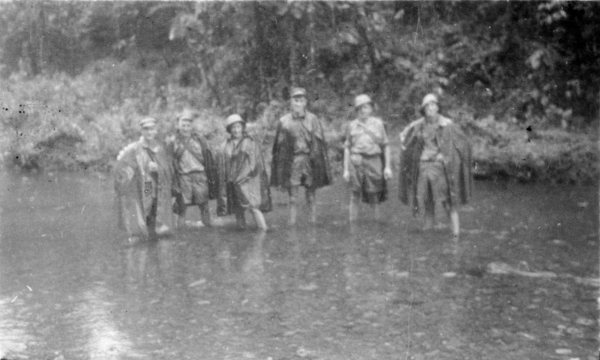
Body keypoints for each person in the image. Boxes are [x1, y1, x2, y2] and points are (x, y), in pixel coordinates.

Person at [398, 93, 472, 237]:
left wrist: (445, 156)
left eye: (433, 105)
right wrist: (404, 137)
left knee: (448, 200)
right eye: (427, 106)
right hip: (424, 166)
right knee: (427, 201)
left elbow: (463, 144)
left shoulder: (448, 125)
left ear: (438, 107)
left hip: (440, 168)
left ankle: (456, 235)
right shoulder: (418, 125)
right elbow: (405, 138)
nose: (430, 108)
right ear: (423, 109)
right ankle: (428, 234)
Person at [271, 87, 331, 225]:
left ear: (305, 102)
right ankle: (291, 223)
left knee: (311, 194)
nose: (298, 103)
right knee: (293, 196)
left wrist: (315, 160)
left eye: (301, 100)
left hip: (309, 160)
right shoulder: (284, 121)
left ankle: (312, 222)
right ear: (290, 102)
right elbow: (278, 147)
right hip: (292, 161)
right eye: (295, 100)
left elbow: (319, 141)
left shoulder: (313, 119)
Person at [114, 116, 174, 242]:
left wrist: (158, 169)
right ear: (141, 131)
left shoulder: (160, 148)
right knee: (146, 206)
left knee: (154, 209)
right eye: (146, 129)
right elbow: (123, 169)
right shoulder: (134, 149)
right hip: (146, 184)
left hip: (158, 185)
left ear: (156, 131)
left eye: (152, 129)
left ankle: (154, 235)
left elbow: (168, 169)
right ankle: (141, 234)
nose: (149, 132)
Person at [217, 114, 271, 231]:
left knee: (253, 207)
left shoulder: (250, 142)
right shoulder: (225, 145)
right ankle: (242, 231)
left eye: (238, 127)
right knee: (238, 208)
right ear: (229, 130)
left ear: (242, 127)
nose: (236, 130)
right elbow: (223, 166)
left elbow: (254, 164)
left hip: (248, 181)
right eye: (233, 127)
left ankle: (263, 230)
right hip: (232, 181)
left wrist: (242, 177)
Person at [343, 94, 392, 221]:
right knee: (354, 194)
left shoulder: (378, 124)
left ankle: (376, 226)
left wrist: (387, 167)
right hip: (356, 161)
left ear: (371, 109)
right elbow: (347, 148)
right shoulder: (351, 125)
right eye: (359, 108)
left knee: (374, 194)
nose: (362, 110)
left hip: (374, 161)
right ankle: (352, 227)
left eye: (365, 107)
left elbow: (386, 145)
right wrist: (346, 170)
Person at [167, 110, 218, 228]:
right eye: (183, 125)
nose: (185, 128)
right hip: (183, 177)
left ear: (192, 126)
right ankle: (180, 234)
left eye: (188, 125)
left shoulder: (200, 140)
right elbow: (169, 163)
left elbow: (209, 159)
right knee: (182, 208)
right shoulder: (173, 142)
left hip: (201, 176)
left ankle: (208, 231)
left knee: (204, 206)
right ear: (178, 126)